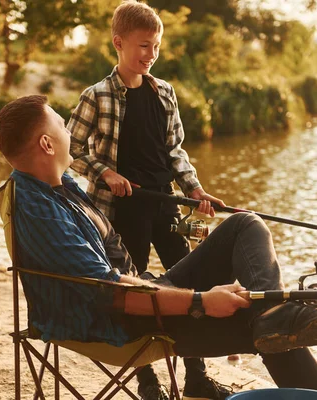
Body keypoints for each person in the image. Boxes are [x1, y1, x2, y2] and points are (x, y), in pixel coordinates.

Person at [0, 95, 317, 400]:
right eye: (59, 124)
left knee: (245, 224)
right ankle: (274, 317)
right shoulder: (38, 208)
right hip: (118, 323)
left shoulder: (60, 184)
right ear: (46, 144)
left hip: (142, 294)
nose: (68, 131)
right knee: (271, 333)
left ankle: (274, 313)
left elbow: (116, 275)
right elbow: (109, 293)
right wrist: (201, 300)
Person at [67, 2, 226, 396]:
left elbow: (175, 152)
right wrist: (104, 173)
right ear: (118, 43)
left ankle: (196, 376)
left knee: (192, 288)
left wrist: (194, 190)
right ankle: (146, 380)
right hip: (120, 212)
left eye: (155, 47)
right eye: (142, 46)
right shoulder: (97, 96)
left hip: (165, 206)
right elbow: (67, 149)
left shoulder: (165, 93)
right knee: (135, 294)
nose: (149, 55)